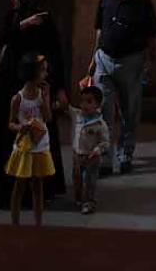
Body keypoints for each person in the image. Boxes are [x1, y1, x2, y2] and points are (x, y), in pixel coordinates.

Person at [0, 0, 67, 206]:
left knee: (36, 136)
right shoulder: (13, 17)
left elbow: (54, 54)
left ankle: (37, 190)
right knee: (5, 136)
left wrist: (57, 87)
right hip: (7, 87)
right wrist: (23, 25)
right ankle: (3, 188)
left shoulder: (44, 20)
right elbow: (0, 37)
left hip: (34, 84)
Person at [90, 0, 156, 174]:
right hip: (104, 60)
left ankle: (125, 154)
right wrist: (93, 59)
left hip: (131, 62)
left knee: (130, 111)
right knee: (104, 111)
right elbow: (100, 32)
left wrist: (150, 61)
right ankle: (104, 159)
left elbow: (152, 35)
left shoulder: (143, 3)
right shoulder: (105, 1)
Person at [5, 53, 55, 226]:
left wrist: (47, 97)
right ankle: (15, 222)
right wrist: (20, 127)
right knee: (19, 185)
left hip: (40, 143)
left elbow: (48, 117)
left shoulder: (41, 95)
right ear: (31, 72)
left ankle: (38, 222)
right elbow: (10, 123)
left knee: (38, 185)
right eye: (42, 70)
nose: (45, 74)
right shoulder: (18, 98)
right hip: (25, 144)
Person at [66, 85, 110, 215]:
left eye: (89, 101)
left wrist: (97, 150)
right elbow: (66, 108)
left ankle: (89, 202)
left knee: (90, 180)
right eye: (82, 101)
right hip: (77, 155)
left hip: (92, 157)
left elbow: (105, 142)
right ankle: (79, 198)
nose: (84, 105)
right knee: (77, 177)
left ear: (98, 105)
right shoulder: (77, 115)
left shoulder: (100, 124)